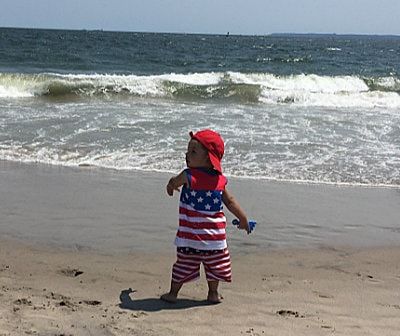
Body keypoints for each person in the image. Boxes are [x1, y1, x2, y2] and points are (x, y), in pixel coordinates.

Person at [161, 129, 249, 304]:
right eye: (187, 151)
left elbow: (173, 182)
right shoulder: (220, 181)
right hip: (215, 240)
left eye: (193, 151)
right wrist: (243, 219)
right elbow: (230, 202)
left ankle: (173, 294)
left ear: (209, 158)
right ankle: (213, 294)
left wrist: (170, 187)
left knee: (183, 265)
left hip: (190, 239)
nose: (187, 155)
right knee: (215, 267)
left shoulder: (188, 176)